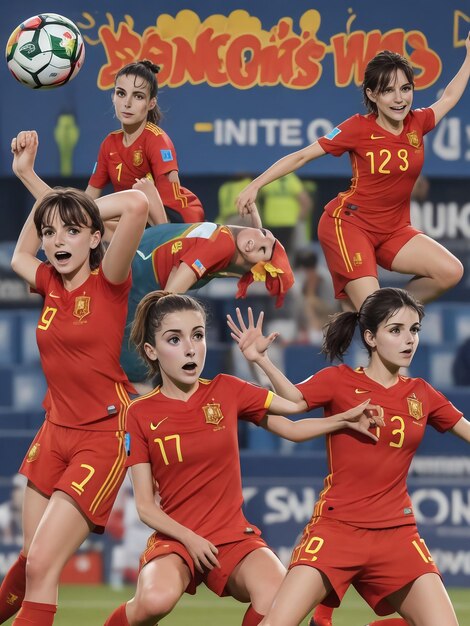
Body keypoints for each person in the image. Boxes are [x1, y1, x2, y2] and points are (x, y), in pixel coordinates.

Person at [103, 290, 382, 626]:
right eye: (174, 339)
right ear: (151, 351)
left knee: (280, 594)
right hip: (177, 537)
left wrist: (262, 361)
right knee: (153, 601)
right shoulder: (139, 413)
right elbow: (146, 507)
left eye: (198, 335)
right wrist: (190, 539)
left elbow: (294, 412)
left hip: (232, 536)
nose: (191, 348)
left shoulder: (226, 389)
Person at [228, 288, 470, 626]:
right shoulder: (339, 380)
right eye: (396, 330)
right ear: (370, 337)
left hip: (397, 533)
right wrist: (261, 359)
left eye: (414, 330)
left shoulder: (423, 394)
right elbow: (295, 401)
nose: (408, 340)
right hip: (338, 528)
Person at [11, 130, 295, 394]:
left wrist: (157, 330)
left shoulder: (221, 246)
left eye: (262, 250)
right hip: (142, 250)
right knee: (78, 224)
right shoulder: (218, 236)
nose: (259, 240)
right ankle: (36, 184)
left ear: (251, 267)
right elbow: (170, 248)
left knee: (78, 223)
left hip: (136, 270)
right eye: (265, 235)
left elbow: (169, 294)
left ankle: (36, 185)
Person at [0, 130, 149, 626]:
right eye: (50, 233)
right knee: (28, 566)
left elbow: (134, 205)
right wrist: (25, 177)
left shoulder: (111, 281)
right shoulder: (48, 283)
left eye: (71, 231)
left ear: (93, 236)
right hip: (54, 431)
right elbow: (20, 256)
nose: (56, 242)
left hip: (103, 435)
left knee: (42, 563)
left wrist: (63, 201)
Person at [237, 36, 470, 312]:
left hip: (393, 229)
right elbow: (303, 155)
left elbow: (450, 96)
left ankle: (391, 313)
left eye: (406, 88)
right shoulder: (357, 128)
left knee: (450, 271)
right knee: (378, 315)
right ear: (372, 94)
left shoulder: (417, 123)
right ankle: (379, 317)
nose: (399, 98)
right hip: (350, 226)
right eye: (388, 91)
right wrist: (257, 184)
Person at [86, 59, 205, 224]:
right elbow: (88, 200)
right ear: (113, 97)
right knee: (84, 215)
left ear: (151, 103)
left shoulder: (157, 140)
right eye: (121, 93)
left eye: (138, 96)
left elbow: (169, 208)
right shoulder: (109, 144)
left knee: (141, 191)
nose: (127, 103)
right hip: (138, 219)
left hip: (179, 220)